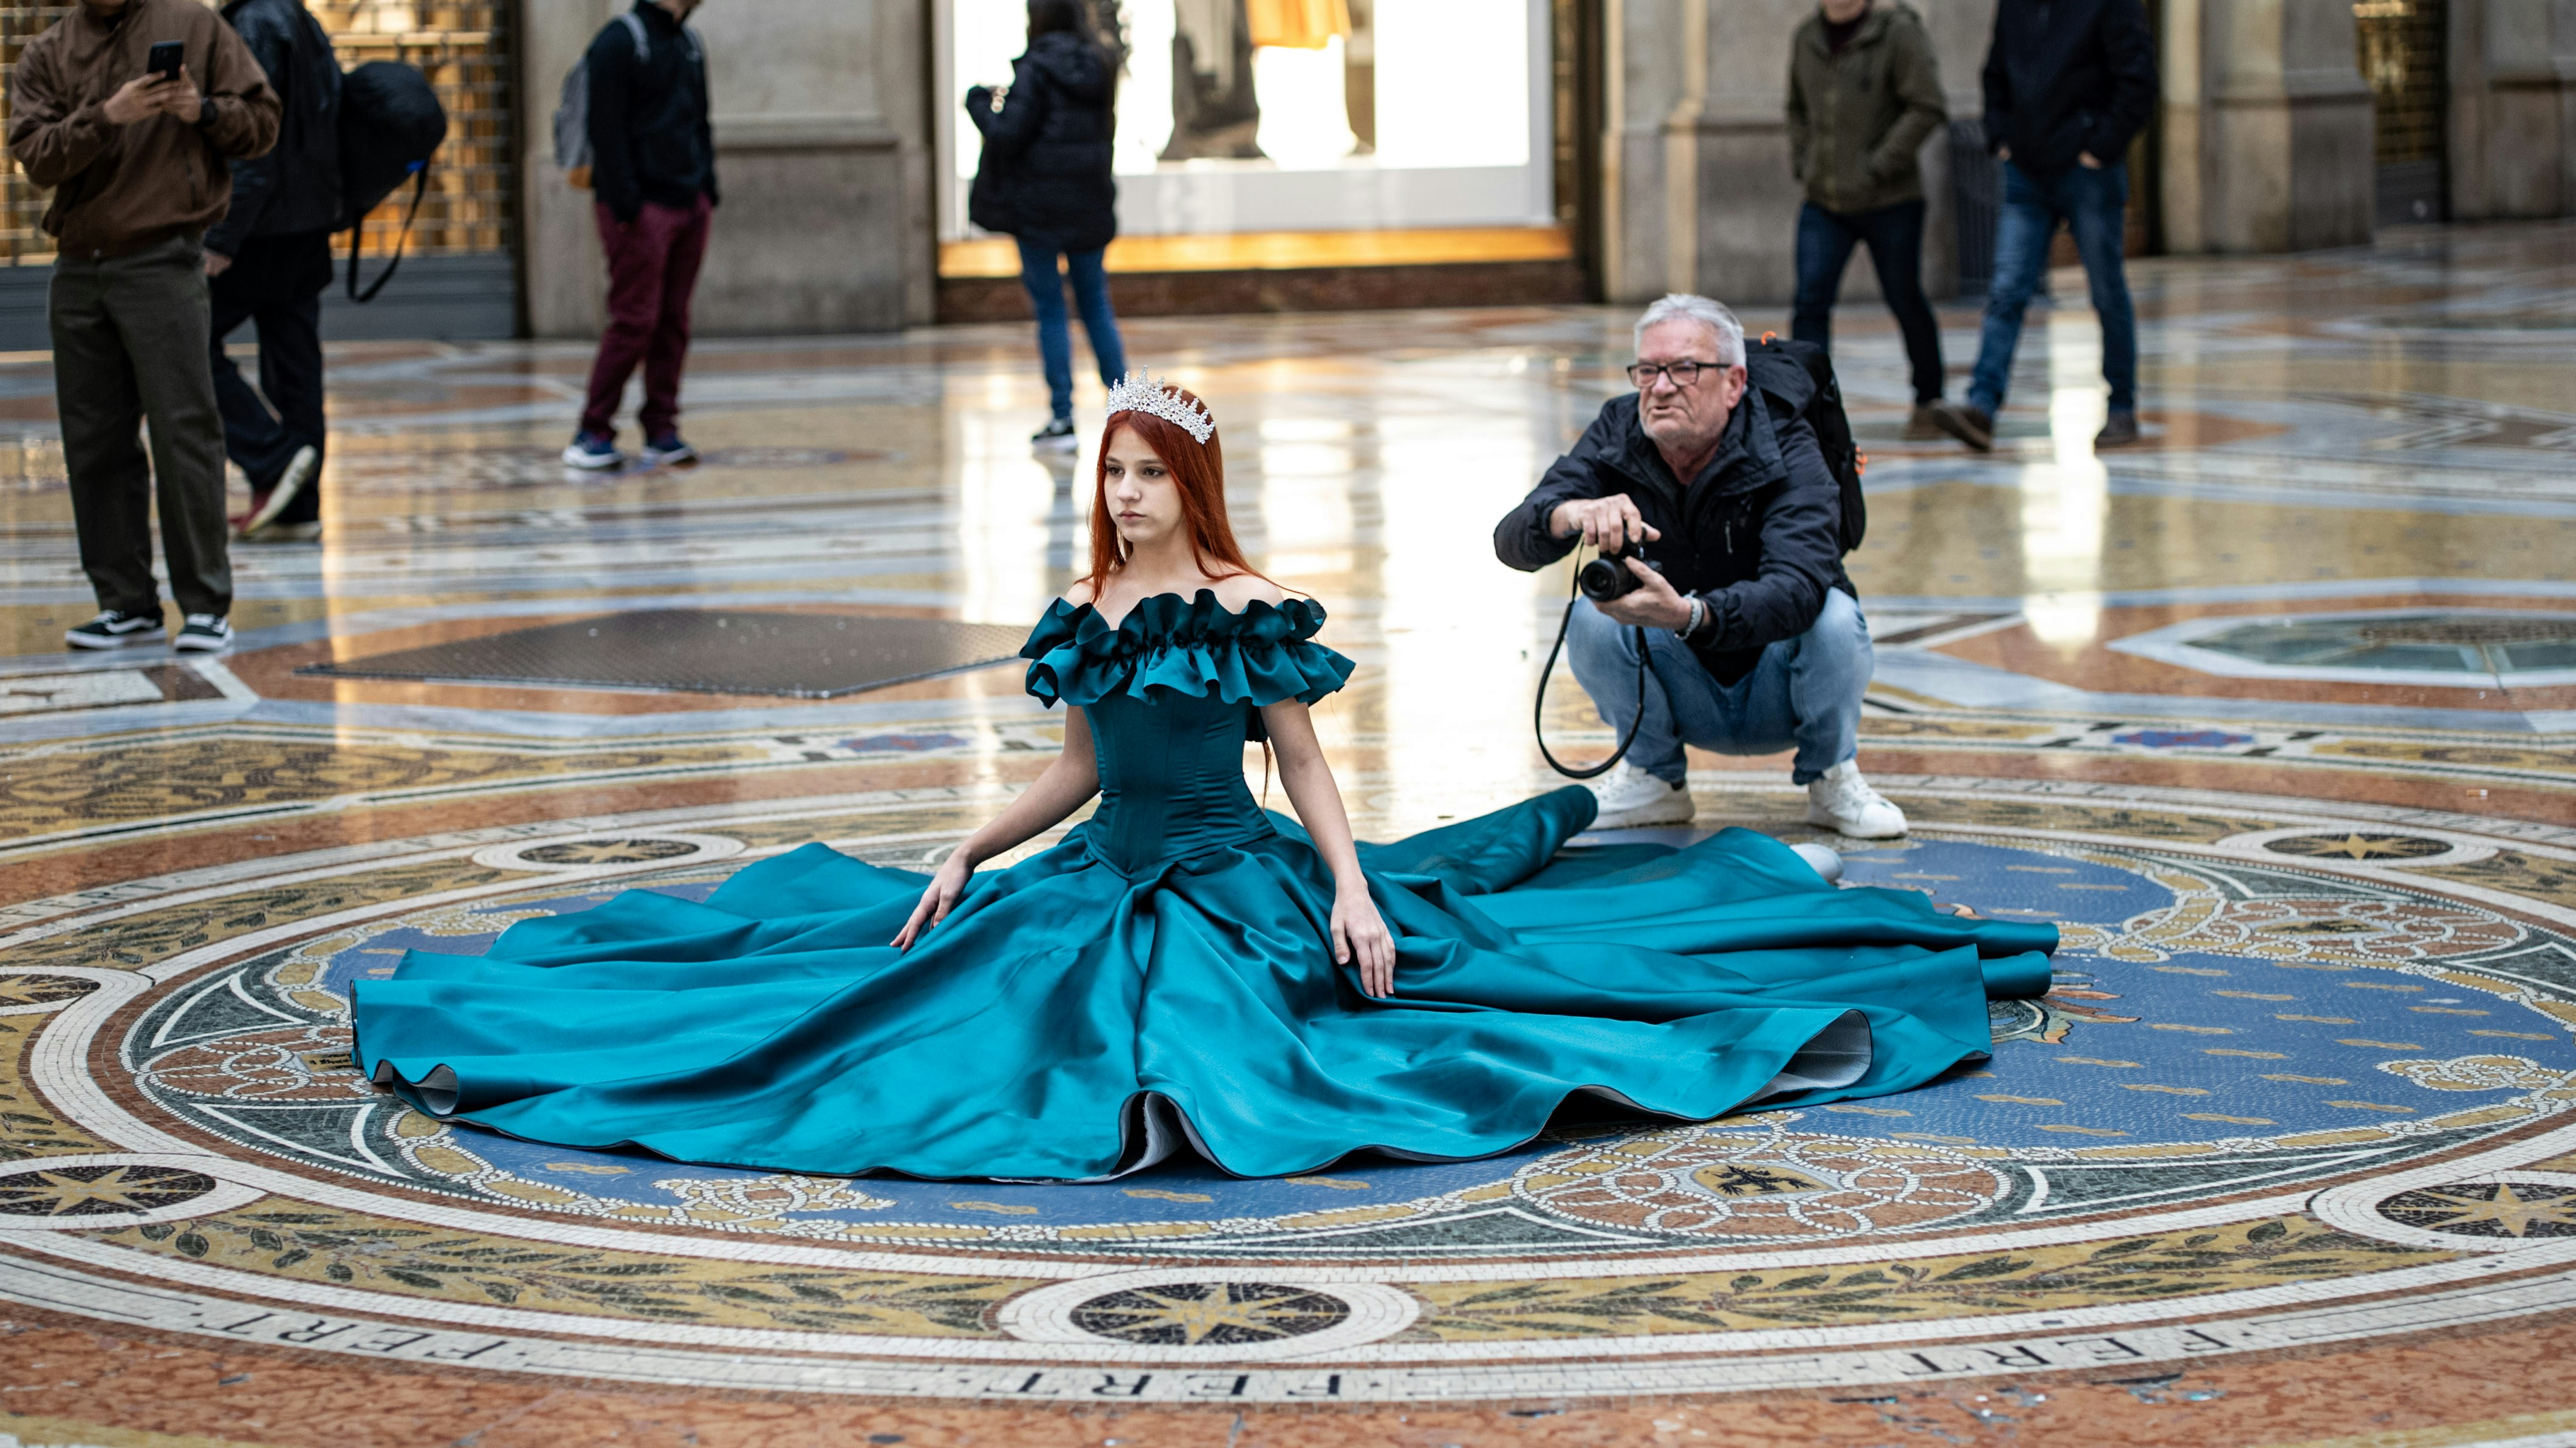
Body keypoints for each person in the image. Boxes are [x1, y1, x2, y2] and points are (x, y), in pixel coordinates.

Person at [349, 375, 2056, 1182]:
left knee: (1321, 1023)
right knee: (896, 1005)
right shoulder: (1086, 608)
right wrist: (964, 844)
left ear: (1194, 483)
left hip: (1241, 872)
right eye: (1111, 469)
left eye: (1149, 470)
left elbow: (1308, 766)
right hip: (1103, 869)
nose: (1126, 489)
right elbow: (1076, 776)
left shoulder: (1246, 607)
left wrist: (1355, 885)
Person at [1495, 294, 1908, 839]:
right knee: (1590, 616)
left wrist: (1690, 615)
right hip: (1680, 685)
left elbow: (1799, 587)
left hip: (1777, 684)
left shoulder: (1788, 442)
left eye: (1684, 369)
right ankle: (1654, 778)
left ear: (1734, 383)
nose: (1660, 387)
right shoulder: (1620, 427)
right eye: (1647, 370)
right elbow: (1511, 541)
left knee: (1833, 614)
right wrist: (1569, 513)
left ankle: (1831, 775)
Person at [9, 0, 281, 654]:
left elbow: (264, 122)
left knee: (183, 429)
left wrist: (202, 111)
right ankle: (124, 601)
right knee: (94, 440)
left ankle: (206, 605)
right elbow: (33, 157)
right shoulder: (49, 50)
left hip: (162, 258)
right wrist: (108, 116)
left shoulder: (195, 25)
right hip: (78, 267)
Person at [1927, 0, 2154, 454]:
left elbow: (2138, 80)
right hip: (2027, 171)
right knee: (2007, 289)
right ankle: (1982, 407)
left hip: (2087, 171)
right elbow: (1995, 72)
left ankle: (2122, 407)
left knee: (2106, 290)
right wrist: (2001, 134)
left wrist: (2101, 145)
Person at [562, 0, 716, 473]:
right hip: (640, 207)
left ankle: (662, 428)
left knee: (673, 321)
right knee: (634, 320)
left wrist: (707, 189)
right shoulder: (620, 41)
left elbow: (700, 121)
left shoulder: (688, 43)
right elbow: (604, 130)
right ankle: (593, 430)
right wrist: (628, 202)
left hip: (688, 202)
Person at [968, 0, 1128, 452]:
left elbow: (1006, 134)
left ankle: (1062, 417)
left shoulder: (1036, 67)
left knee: (1052, 310)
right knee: (1096, 303)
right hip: (1089, 203)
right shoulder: (1101, 64)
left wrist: (978, 103)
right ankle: (1127, 415)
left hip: (1038, 211)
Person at [207, 0, 339, 544]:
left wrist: (221, 237)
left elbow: (256, 141)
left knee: (183, 339)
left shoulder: (254, 22)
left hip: (263, 229)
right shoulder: (301, 18)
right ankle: (298, 506)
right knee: (295, 362)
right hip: (307, 223)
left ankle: (273, 459)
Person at [1785, 0, 1948, 436]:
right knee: (1810, 304)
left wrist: (1879, 165)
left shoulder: (1897, 33)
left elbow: (1927, 105)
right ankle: (1809, 409)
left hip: (1890, 199)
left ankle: (1929, 401)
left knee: (1905, 298)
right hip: (1824, 199)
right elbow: (1796, 108)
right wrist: (1805, 160)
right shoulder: (1807, 38)